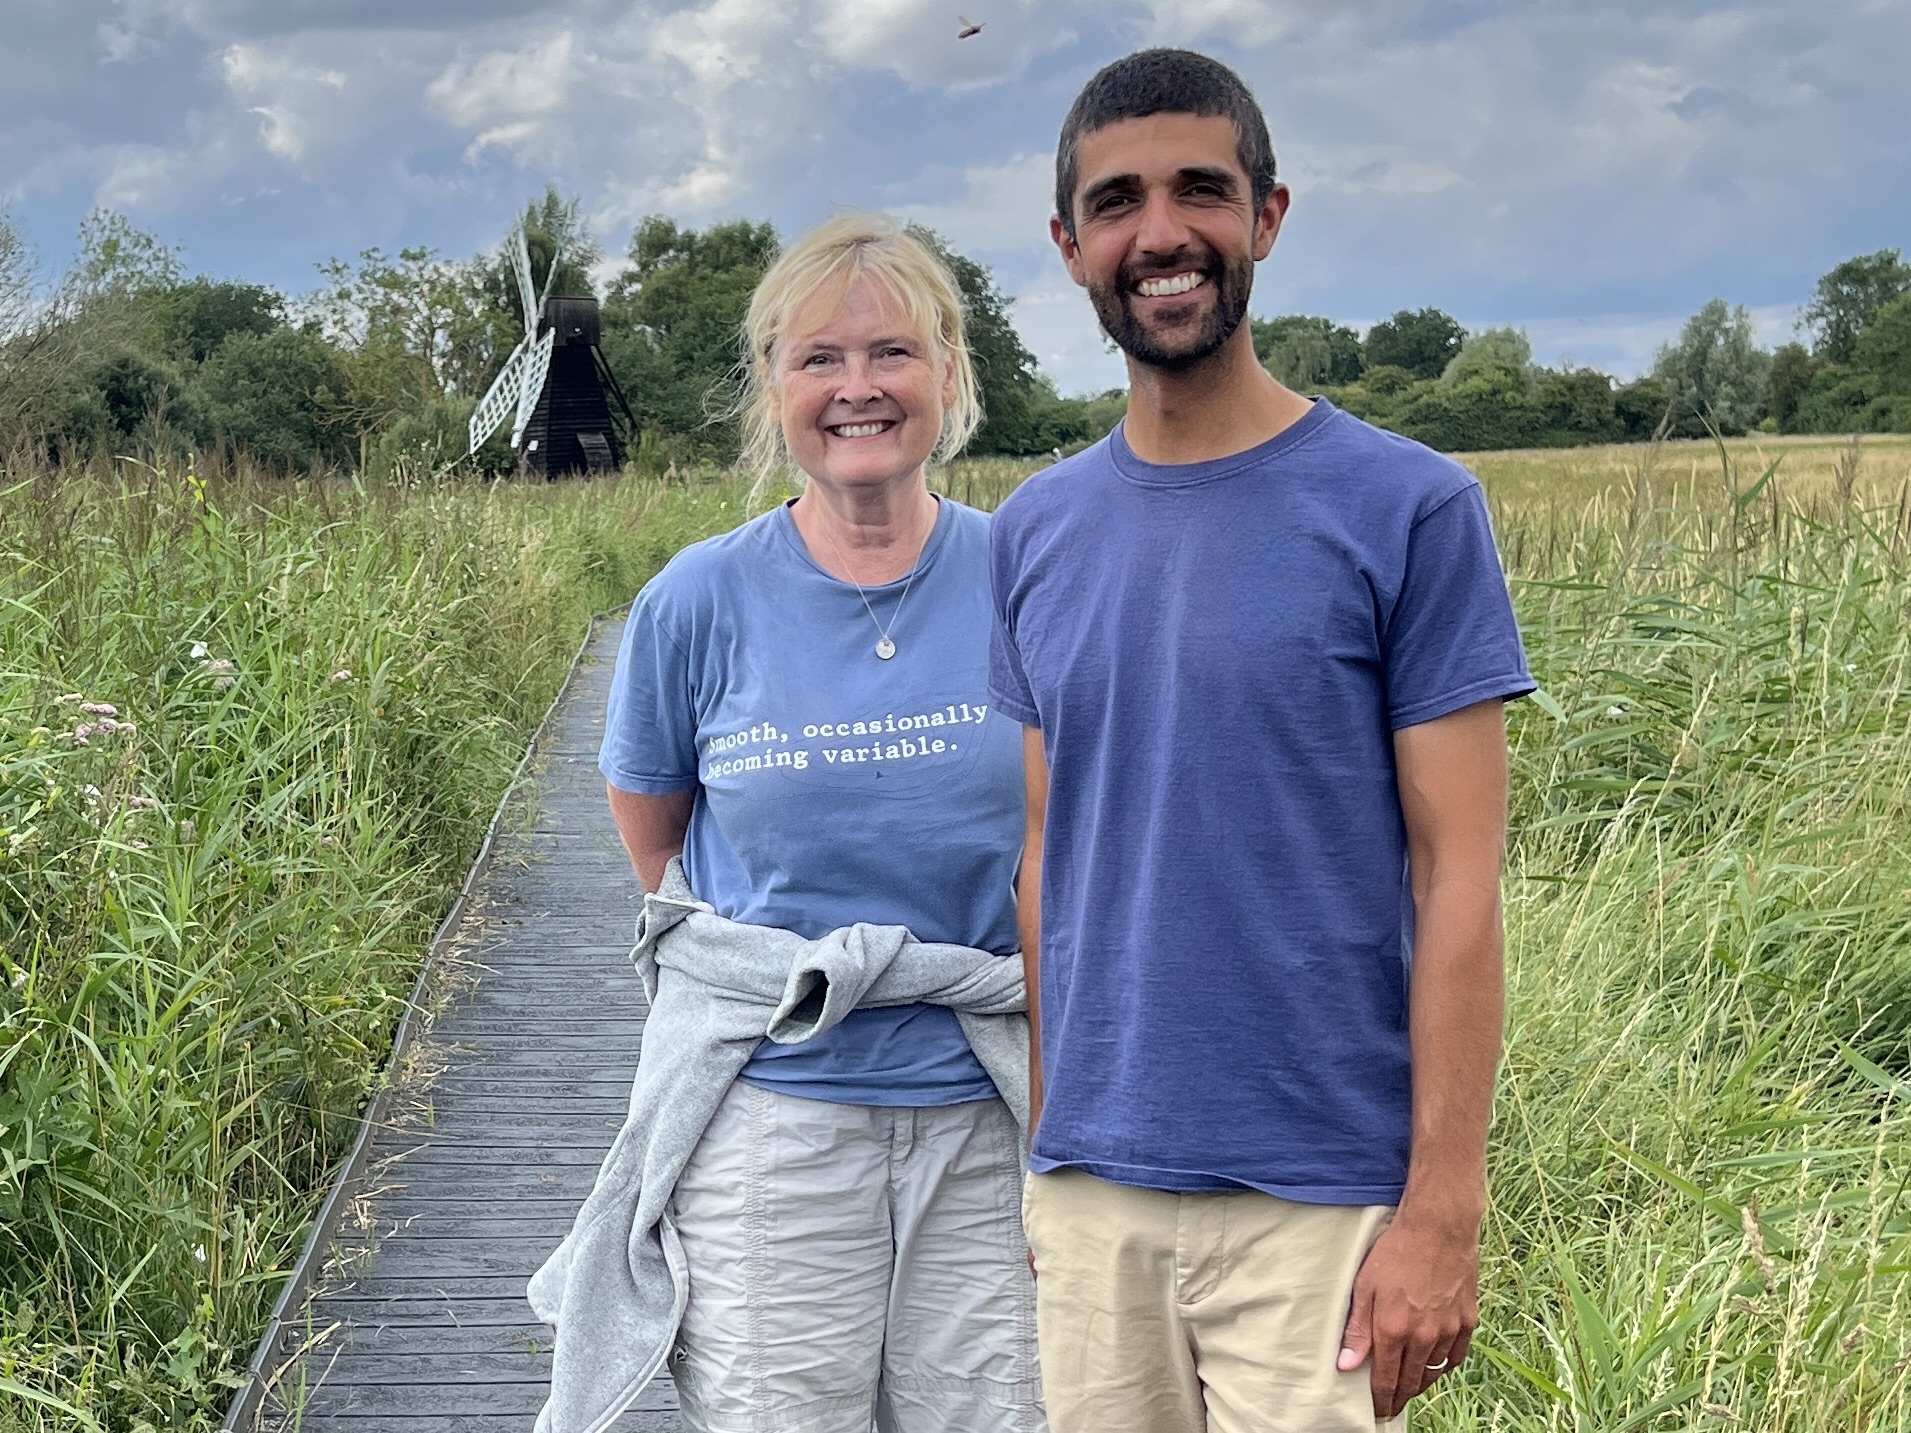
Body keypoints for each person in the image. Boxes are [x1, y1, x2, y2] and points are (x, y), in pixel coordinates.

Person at [987, 49, 1535, 1433]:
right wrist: (1049, 1150)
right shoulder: (1036, 530)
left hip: (1318, 1206)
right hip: (1096, 1189)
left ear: (1266, 217)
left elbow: (1455, 873)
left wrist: (1439, 1210)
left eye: (1199, 191)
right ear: (1068, 247)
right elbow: (1049, 850)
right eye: (1115, 201)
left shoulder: (1405, 509)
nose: (1159, 233)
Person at [582, 213, 1043, 1433]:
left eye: (892, 352)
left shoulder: (1032, 577)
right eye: (817, 359)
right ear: (774, 386)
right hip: (775, 1118)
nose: (858, 388)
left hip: (994, 1114)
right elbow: (659, 846)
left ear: (949, 372)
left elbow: (1075, 838)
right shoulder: (697, 598)